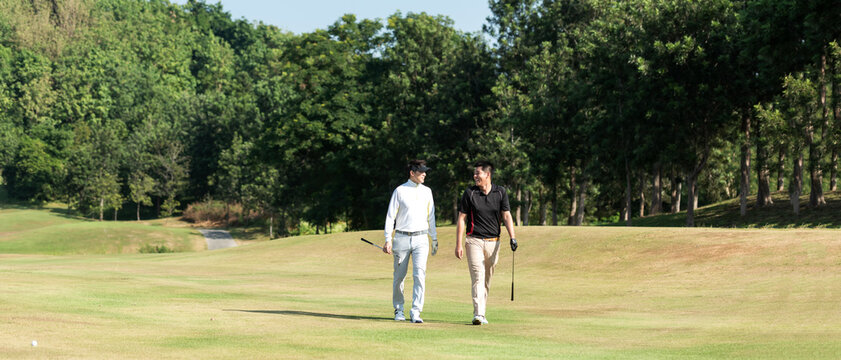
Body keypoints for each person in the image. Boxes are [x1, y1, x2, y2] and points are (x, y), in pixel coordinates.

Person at [454, 160, 518, 325]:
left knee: (486, 279)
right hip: (473, 240)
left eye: (478, 173)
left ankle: (482, 311)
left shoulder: (500, 192)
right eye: (474, 173)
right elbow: (462, 218)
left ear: (487, 175)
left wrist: (513, 237)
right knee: (478, 276)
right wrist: (459, 244)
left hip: (493, 242)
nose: (475, 176)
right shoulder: (470, 193)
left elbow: (506, 215)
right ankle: (478, 313)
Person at [383, 160, 438, 323]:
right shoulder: (400, 191)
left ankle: (416, 311)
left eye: (425, 171)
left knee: (419, 275)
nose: (424, 174)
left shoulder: (427, 191)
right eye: (421, 171)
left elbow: (431, 217)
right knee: (399, 277)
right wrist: (388, 239)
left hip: (421, 238)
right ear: (412, 173)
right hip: (401, 238)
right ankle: (399, 309)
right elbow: (390, 216)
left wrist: (433, 238)